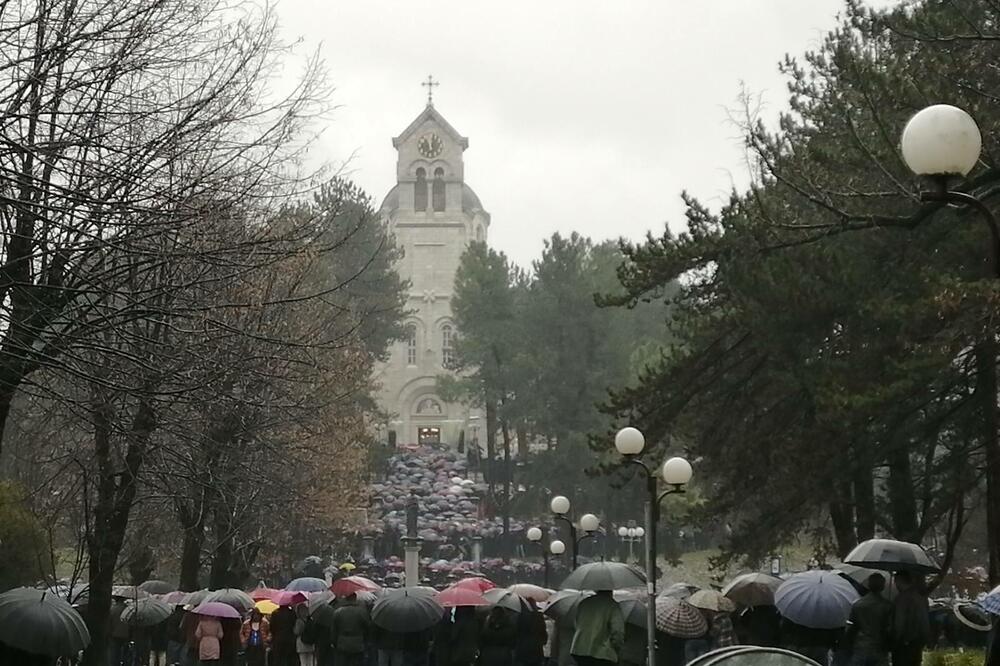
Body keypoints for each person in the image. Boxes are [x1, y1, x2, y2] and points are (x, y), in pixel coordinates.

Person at [844, 573, 892, 666]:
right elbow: (889, 629)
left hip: (860, 646)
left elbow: (851, 627)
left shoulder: (858, 604)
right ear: (883, 586)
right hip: (880, 648)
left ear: (869, 585)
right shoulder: (887, 606)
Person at [569, 589, 624, 666]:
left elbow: (576, 624)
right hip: (602, 653)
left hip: (579, 650)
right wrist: (616, 648)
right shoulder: (612, 605)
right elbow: (618, 631)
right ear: (610, 591)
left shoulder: (584, 603)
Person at [891, 571, 930, 666]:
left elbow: (899, 623)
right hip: (918, 644)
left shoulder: (901, 599)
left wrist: (895, 640)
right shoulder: (921, 598)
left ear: (899, 581)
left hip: (904, 645)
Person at [331, 592, 371, 666]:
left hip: (342, 643)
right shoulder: (362, 612)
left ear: (346, 599)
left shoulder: (338, 612)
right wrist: (366, 642)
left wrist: (334, 642)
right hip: (358, 643)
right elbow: (368, 628)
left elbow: (334, 630)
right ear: (355, 598)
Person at [514, 600, 548, 666]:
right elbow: (543, 633)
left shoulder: (519, 616)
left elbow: (515, 632)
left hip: (522, 649)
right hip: (537, 649)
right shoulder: (539, 616)